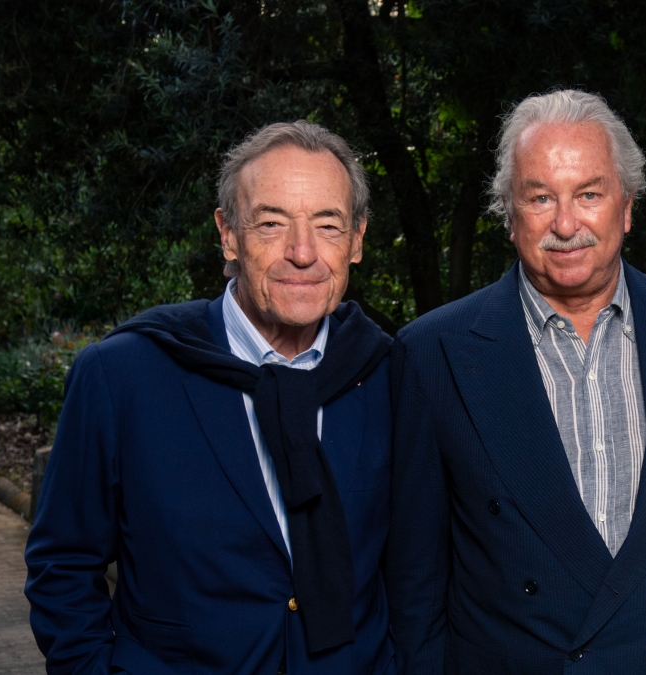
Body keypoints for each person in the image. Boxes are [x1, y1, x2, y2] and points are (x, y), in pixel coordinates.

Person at [386, 89, 646, 674]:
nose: (566, 223)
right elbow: (415, 583)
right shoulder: (433, 352)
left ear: (626, 208)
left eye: (589, 194)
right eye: (540, 197)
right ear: (509, 215)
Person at [25, 121, 398, 675]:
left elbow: (418, 565)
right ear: (228, 234)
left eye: (328, 224)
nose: (303, 252)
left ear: (358, 240)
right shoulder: (123, 374)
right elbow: (62, 566)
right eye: (272, 223)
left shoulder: (390, 373)